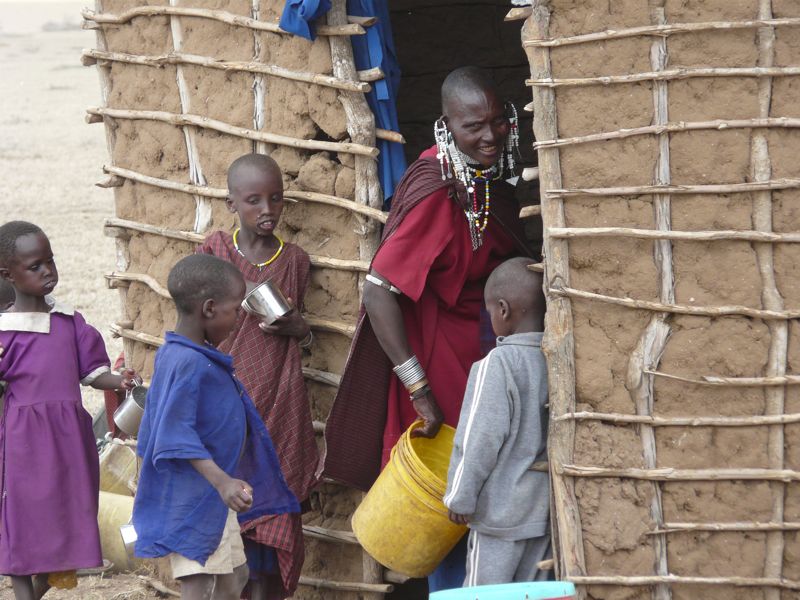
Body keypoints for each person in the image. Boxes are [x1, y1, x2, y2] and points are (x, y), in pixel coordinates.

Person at [322, 66, 532, 590]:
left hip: (485, 354)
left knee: (488, 484)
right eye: (472, 127)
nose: (488, 136)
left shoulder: (488, 174)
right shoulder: (437, 188)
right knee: (450, 494)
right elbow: (378, 289)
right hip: (440, 364)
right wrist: (418, 388)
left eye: (496, 122)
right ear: (447, 125)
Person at [132, 254, 299, 600]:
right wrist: (222, 481)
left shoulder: (190, 354)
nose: (240, 318)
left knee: (234, 576)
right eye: (236, 309)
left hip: (209, 497)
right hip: (194, 497)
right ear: (209, 309)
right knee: (201, 581)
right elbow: (173, 434)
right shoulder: (188, 362)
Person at [196, 153, 318, 600]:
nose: (267, 209)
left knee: (273, 533)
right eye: (253, 200)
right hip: (228, 412)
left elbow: (300, 326)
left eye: (276, 198)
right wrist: (241, 288)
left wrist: (300, 329)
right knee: (232, 540)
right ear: (231, 204)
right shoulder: (215, 252)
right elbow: (194, 314)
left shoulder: (295, 261)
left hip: (281, 412)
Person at [0, 221, 139, 600]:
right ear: (7, 275)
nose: (48, 272)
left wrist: (121, 382)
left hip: (69, 443)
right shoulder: (5, 332)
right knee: (24, 523)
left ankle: (39, 590)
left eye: (50, 262)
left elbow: (92, 374)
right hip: (23, 443)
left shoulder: (68, 322)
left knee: (71, 521)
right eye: (35, 266)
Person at [444, 257, 550, 586]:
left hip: (498, 520)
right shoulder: (555, 358)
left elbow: (479, 438)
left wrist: (460, 496)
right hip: (542, 516)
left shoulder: (498, 364)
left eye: (489, 311)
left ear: (502, 310)